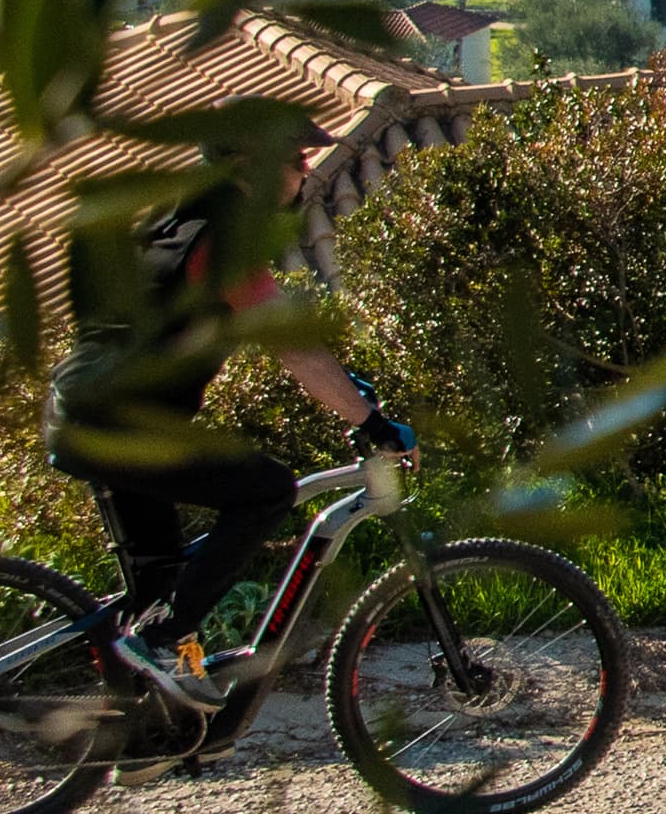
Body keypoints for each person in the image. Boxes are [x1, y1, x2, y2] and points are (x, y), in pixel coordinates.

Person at [49, 138, 410, 710]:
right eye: (295, 158)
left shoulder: (178, 217)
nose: (306, 168)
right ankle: (162, 644)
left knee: (160, 583)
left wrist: (348, 388)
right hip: (122, 425)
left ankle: (150, 732)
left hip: (83, 411)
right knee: (268, 491)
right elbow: (294, 350)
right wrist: (371, 421)